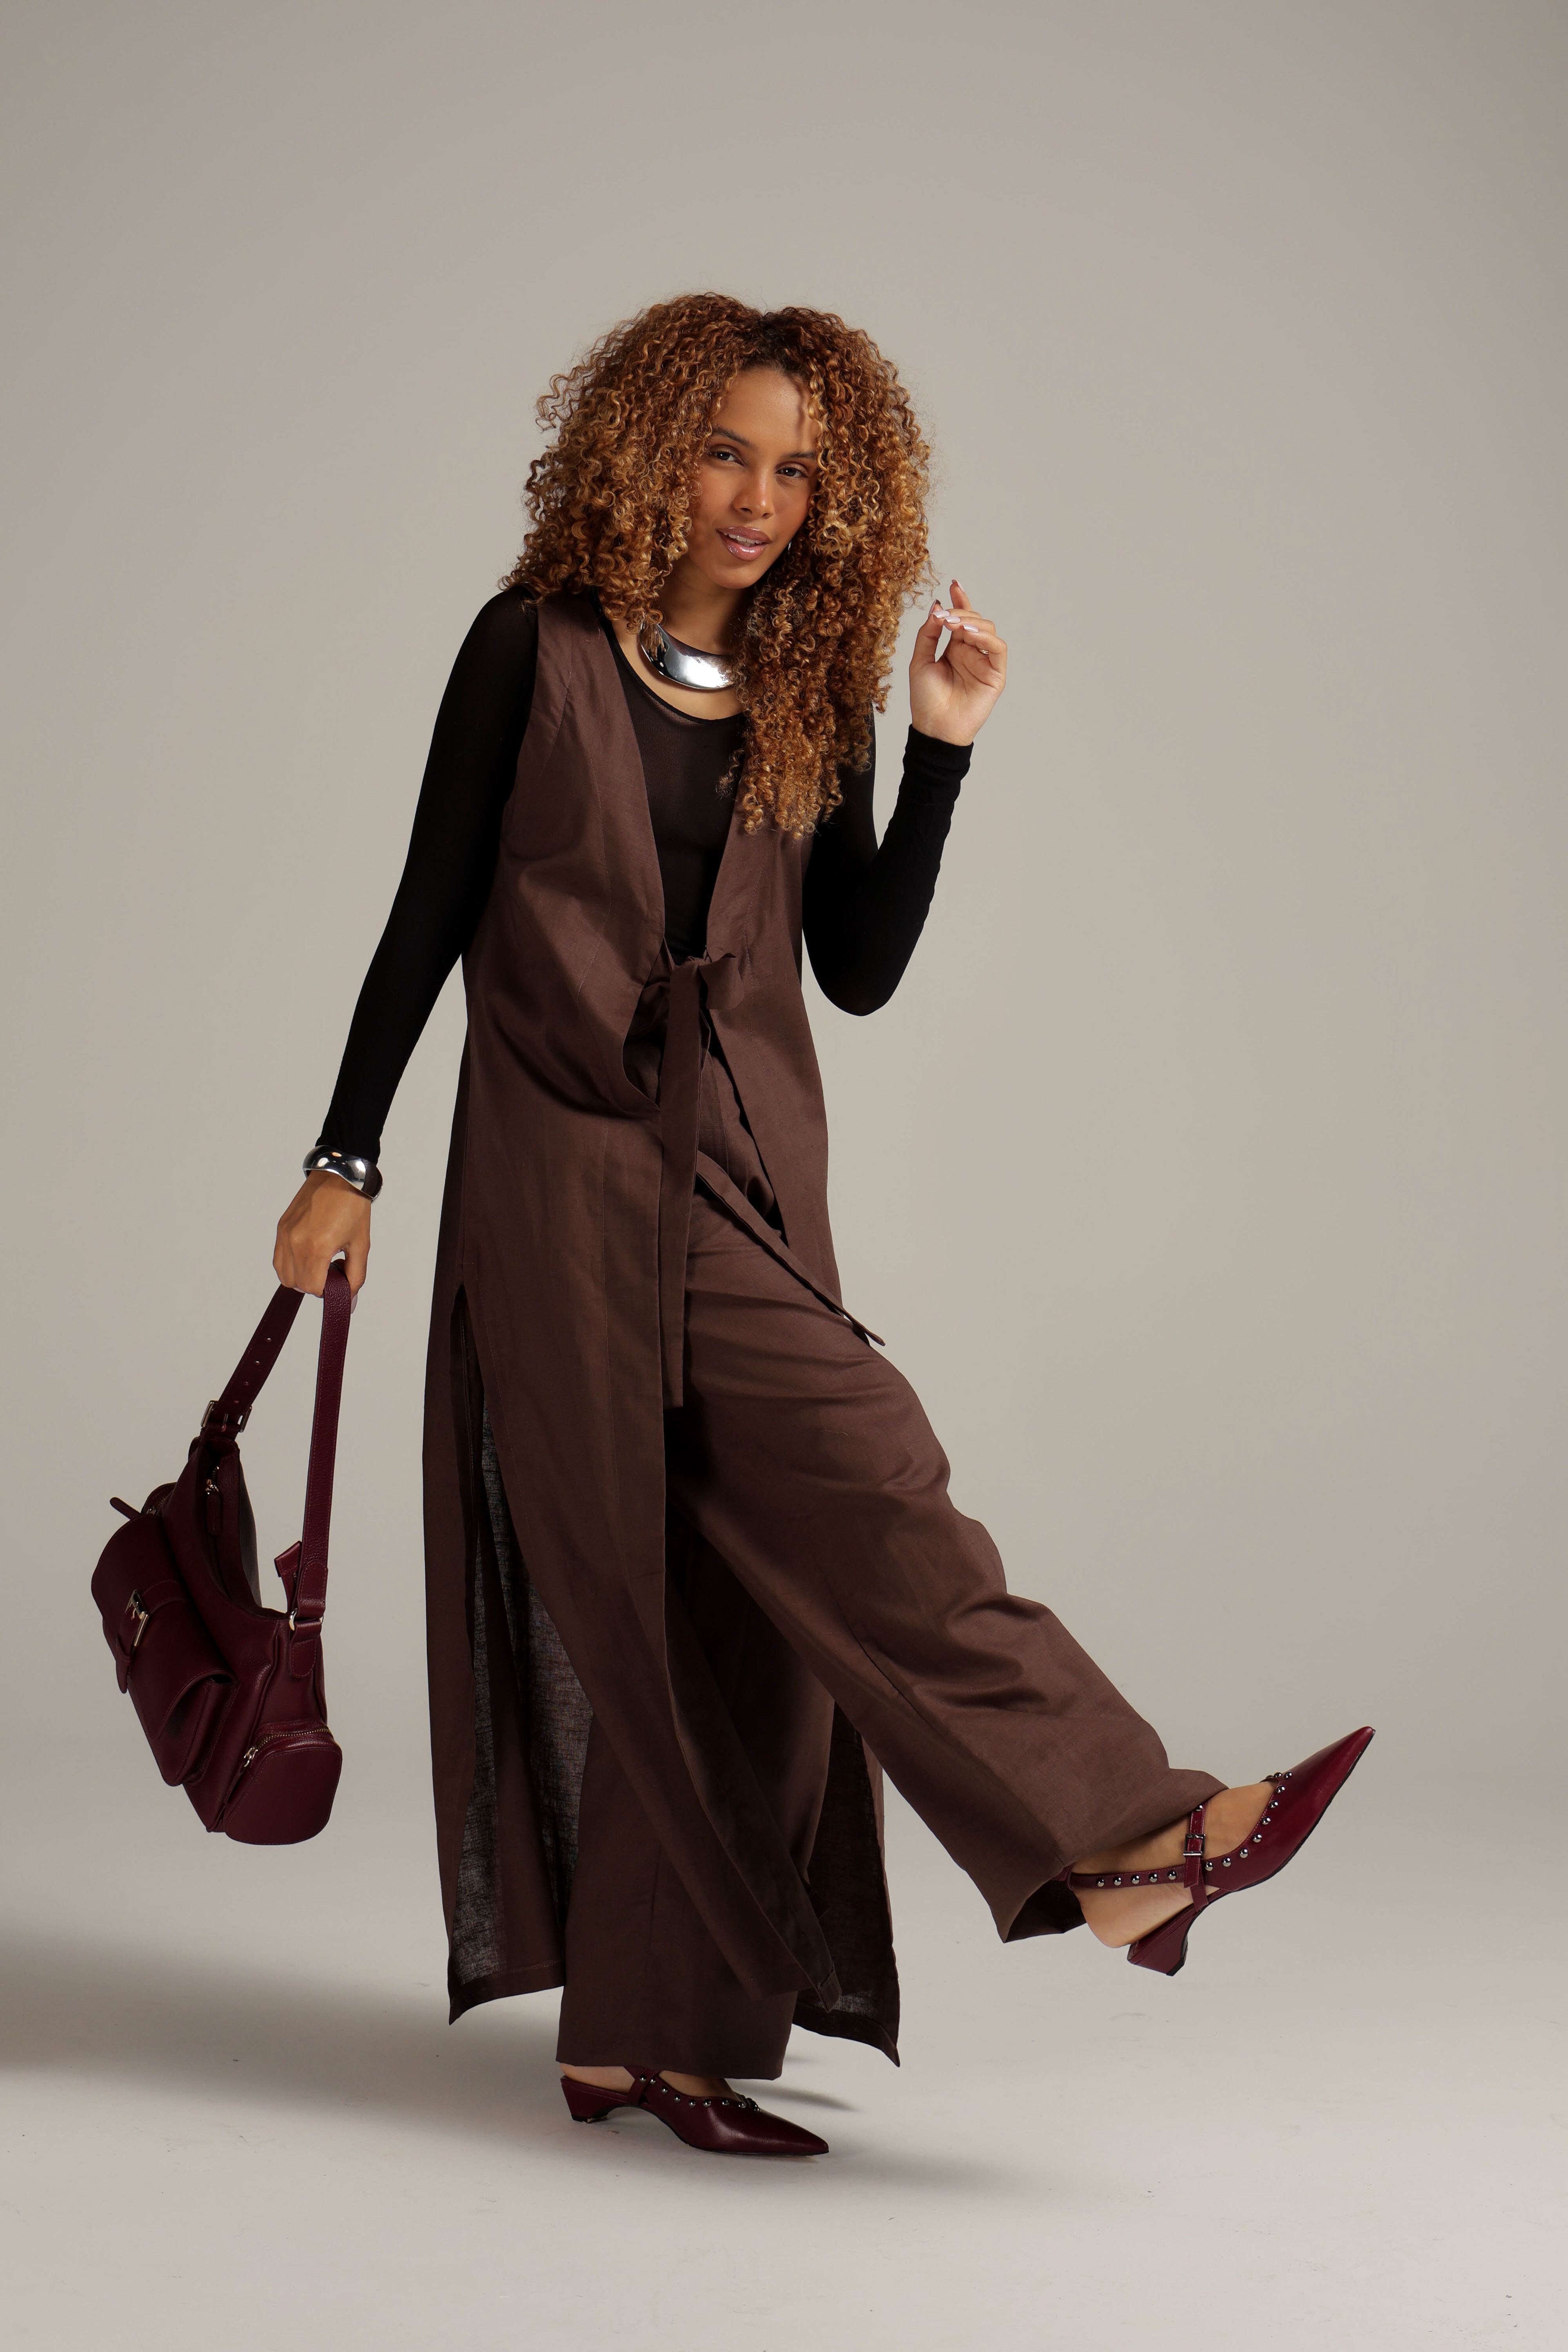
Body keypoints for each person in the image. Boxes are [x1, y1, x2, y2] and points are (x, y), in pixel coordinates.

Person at [273, 295, 1372, 2160]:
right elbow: (428, 911)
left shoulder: (805, 687)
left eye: (796, 471)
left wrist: (940, 748)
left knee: (754, 1617)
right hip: (566, 1185)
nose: (756, 499)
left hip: (749, 1179)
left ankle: (646, 2042)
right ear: (650, 451)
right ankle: (1128, 1835)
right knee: (871, 1473)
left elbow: (853, 968)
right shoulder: (531, 647)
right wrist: (344, 1160)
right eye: (725, 451)